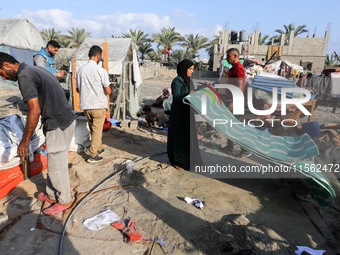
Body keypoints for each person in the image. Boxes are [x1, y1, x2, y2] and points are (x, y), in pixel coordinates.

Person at [0, 52, 76, 215]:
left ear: (6, 65)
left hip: (58, 123)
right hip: (61, 119)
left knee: (57, 165)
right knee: (53, 161)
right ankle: (51, 194)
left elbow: (34, 110)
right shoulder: (32, 70)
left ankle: (64, 201)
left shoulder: (24, 76)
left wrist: (25, 140)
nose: (4, 78)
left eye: (2, 74)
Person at [76, 45, 112, 163]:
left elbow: (77, 89)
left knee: (93, 129)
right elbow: (108, 91)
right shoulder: (101, 71)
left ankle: (98, 148)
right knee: (97, 130)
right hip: (98, 105)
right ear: (98, 56)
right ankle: (93, 155)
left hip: (86, 105)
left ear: (89, 55)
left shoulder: (80, 70)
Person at [167, 59, 202, 170]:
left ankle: (192, 160)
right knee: (180, 138)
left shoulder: (189, 81)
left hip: (187, 113)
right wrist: (187, 93)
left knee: (189, 137)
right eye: (190, 69)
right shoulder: (177, 81)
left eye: (192, 69)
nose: (191, 71)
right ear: (184, 69)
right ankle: (179, 162)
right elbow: (176, 98)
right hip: (179, 114)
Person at [220, 48, 252, 158]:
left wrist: (233, 102)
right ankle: (230, 146)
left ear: (235, 56)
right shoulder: (233, 68)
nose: (227, 59)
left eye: (229, 57)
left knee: (236, 127)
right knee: (230, 125)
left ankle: (245, 149)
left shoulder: (239, 68)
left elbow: (240, 86)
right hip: (232, 100)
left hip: (236, 102)